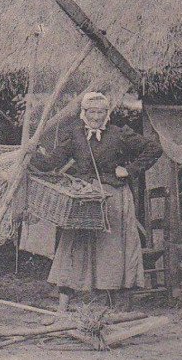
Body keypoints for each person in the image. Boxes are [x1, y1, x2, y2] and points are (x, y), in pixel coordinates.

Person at [31, 92, 162, 312]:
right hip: (83, 199)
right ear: (84, 113)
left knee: (110, 251)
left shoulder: (119, 135)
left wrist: (129, 170)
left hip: (113, 198)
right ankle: (62, 308)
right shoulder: (74, 135)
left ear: (106, 114)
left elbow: (154, 149)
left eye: (100, 112)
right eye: (91, 112)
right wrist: (31, 153)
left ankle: (110, 308)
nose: (95, 116)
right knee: (73, 247)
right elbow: (51, 162)